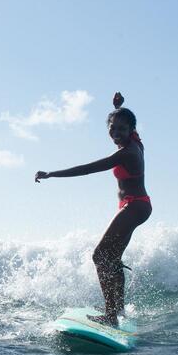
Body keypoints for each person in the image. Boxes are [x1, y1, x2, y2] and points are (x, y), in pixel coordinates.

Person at [35, 92, 152, 326]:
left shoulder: (127, 152)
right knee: (113, 258)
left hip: (135, 205)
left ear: (131, 130)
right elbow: (126, 122)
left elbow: (87, 169)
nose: (116, 133)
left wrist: (52, 174)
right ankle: (117, 309)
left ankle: (110, 316)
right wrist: (120, 107)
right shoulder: (134, 141)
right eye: (112, 129)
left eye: (121, 129)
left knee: (99, 256)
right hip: (136, 205)